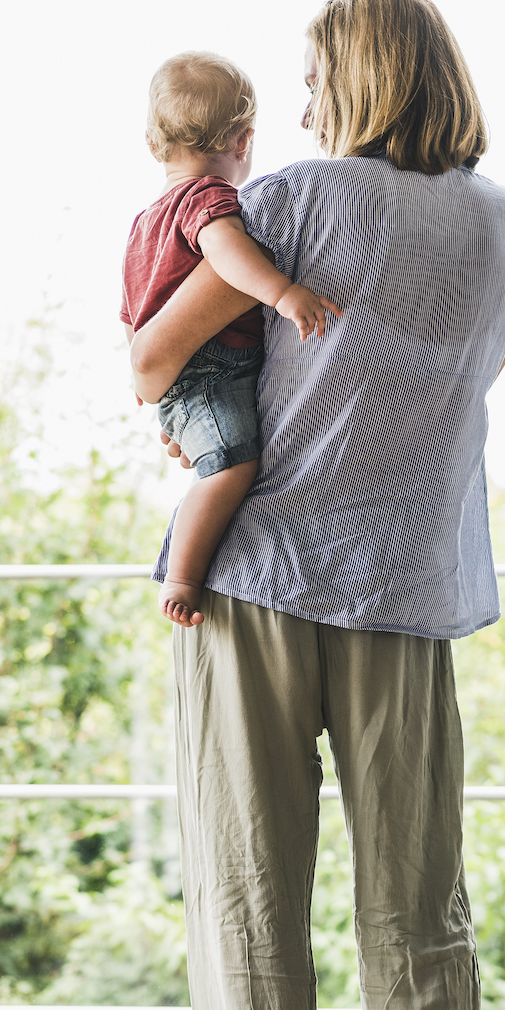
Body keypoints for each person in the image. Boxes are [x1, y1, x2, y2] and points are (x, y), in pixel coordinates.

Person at [127, 0, 505, 1010]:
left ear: (359, 78)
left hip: (256, 578)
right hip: (409, 579)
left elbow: (155, 358)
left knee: (252, 872)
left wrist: (192, 425)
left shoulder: (299, 199)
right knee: (416, 880)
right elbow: (449, 390)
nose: (303, 102)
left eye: (313, 78)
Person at [120, 50, 341, 628]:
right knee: (229, 471)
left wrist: (148, 387)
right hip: (213, 365)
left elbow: (131, 315)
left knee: (215, 458)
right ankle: (183, 577)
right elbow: (224, 251)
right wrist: (282, 292)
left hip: (176, 372)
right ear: (243, 142)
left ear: (153, 144)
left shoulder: (145, 223)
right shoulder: (208, 198)